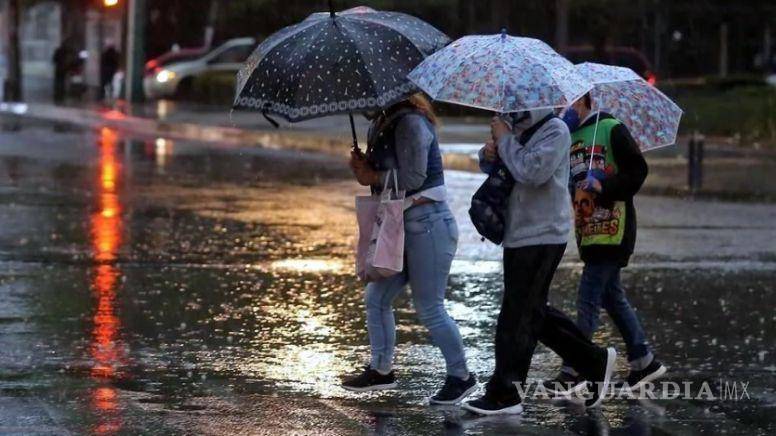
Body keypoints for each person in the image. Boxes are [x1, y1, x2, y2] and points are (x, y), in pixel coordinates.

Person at [462, 109, 617, 416]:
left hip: (543, 233)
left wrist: (505, 140)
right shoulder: (516, 126)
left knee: (517, 315)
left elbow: (531, 172)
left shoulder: (555, 130)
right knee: (530, 312)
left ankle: (506, 393)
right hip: (517, 231)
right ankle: (595, 361)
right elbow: (499, 166)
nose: (513, 101)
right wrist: (489, 152)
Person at [342, 93, 476, 405]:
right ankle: (381, 370)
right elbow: (388, 175)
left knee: (430, 307)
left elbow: (414, 176)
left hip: (428, 224)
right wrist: (365, 168)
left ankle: (461, 376)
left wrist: (373, 175)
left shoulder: (411, 122)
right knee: (376, 298)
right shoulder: (384, 120)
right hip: (400, 223)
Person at [543, 95, 666, 395]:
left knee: (588, 298)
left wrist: (604, 185)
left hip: (613, 229)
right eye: (559, 104)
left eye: (567, 102)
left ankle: (575, 369)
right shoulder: (567, 136)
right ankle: (643, 359)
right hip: (588, 230)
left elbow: (638, 170)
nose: (561, 108)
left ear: (583, 101)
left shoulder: (611, 128)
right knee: (612, 296)